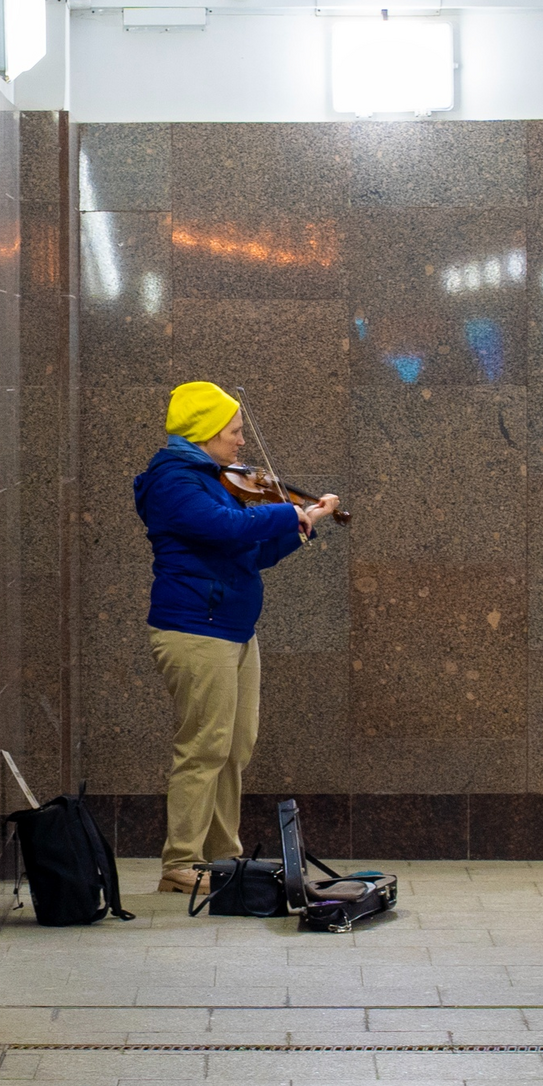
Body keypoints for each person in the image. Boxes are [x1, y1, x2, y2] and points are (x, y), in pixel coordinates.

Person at [132, 381, 336, 894]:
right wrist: (282, 511)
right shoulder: (173, 480)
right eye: (235, 431)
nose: (242, 442)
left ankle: (223, 858)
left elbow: (248, 553)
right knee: (204, 747)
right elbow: (223, 527)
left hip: (234, 629)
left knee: (234, 747)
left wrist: (298, 527)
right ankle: (181, 864)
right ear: (205, 433)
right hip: (195, 630)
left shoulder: (211, 478)